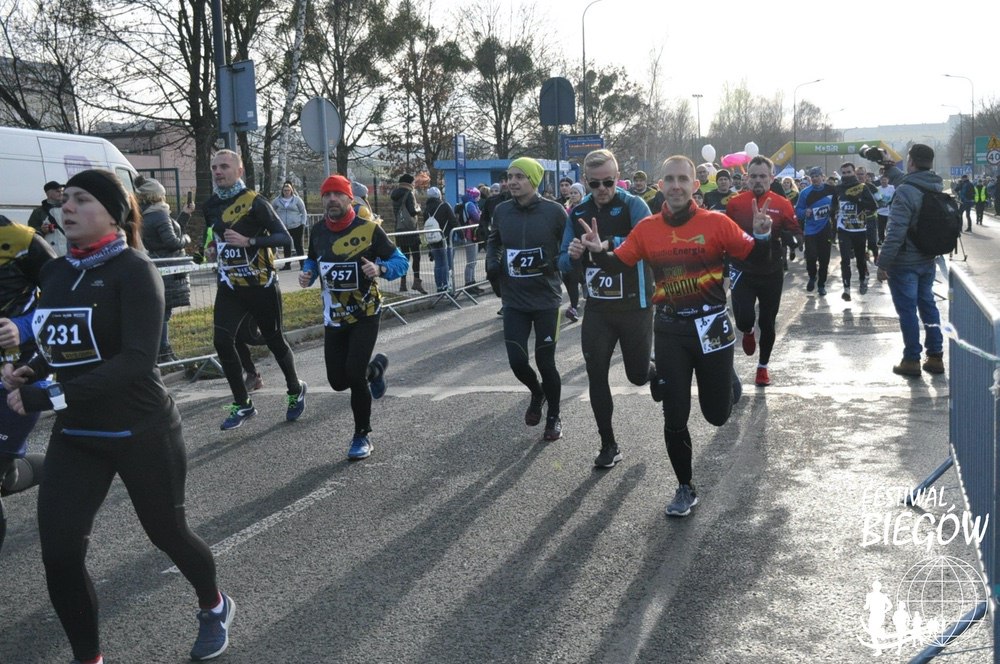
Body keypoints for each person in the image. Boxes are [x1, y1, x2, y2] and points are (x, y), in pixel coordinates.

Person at [3, 169, 233, 663]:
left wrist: (50, 395)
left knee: (168, 534)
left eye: (82, 199)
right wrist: (31, 368)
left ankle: (214, 605)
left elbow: (136, 361)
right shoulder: (56, 274)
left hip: (140, 429)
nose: (67, 207)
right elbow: (54, 339)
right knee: (60, 555)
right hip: (78, 434)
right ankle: (89, 657)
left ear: (115, 213)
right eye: (65, 199)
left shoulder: (135, 270)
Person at [577, 155, 773, 517]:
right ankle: (685, 487)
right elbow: (618, 263)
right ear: (661, 185)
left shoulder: (717, 223)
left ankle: (728, 380)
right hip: (669, 330)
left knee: (717, 416)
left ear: (695, 185)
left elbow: (759, 259)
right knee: (674, 416)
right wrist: (597, 250)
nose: (677, 186)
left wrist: (762, 234)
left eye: (683, 179)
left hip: (711, 328)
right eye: (670, 179)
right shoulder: (647, 229)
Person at [299, 175, 408, 460]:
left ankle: (362, 435)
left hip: (365, 313)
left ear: (349, 198)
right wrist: (307, 273)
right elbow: (312, 259)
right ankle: (375, 371)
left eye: (337, 194)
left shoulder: (369, 230)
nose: (332, 199)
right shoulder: (318, 231)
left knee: (354, 374)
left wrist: (380, 269)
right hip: (334, 317)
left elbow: (401, 262)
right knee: (338, 381)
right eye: (327, 195)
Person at [560, 149, 652, 468]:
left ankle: (653, 370)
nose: (602, 189)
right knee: (596, 373)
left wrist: (607, 244)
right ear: (586, 181)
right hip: (598, 308)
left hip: (634, 305)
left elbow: (647, 242)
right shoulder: (578, 211)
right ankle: (608, 444)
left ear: (618, 178)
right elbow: (562, 260)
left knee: (637, 376)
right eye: (595, 183)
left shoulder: (633, 205)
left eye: (608, 182)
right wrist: (572, 254)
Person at [204, 149, 306, 430]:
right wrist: (212, 248)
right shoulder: (210, 205)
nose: (217, 172)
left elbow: (284, 238)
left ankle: (295, 388)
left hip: (261, 285)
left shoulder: (255, 202)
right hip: (230, 285)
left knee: (274, 341)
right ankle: (243, 404)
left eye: (224, 166)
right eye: (214, 167)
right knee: (222, 341)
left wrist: (249, 242)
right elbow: (215, 237)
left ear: (239, 171)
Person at [486, 157, 568, 442]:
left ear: (533, 180)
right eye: (510, 176)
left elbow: (568, 247)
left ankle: (554, 415)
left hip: (546, 299)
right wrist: (492, 263)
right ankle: (537, 392)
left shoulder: (555, 212)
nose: (512, 182)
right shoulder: (502, 210)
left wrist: (554, 263)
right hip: (515, 300)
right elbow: (494, 240)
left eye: (519, 176)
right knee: (517, 361)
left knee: (546, 363)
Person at [0, 214, 56, 555]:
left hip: (18, 373)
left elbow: (65, 302)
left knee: (2, 475)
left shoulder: (22, 240)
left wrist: (21, 327)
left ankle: (63, 470)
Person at [726, 156, 801, 387]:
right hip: (743, 268)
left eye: (762, 176)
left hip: (771, 270)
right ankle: (747, 330)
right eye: (753, 176)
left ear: (771, 178)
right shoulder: (735, 203)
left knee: (768, 322)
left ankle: (763, 367)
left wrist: (782, 236)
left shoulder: (783, 203)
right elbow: (725, 236)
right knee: (744, 319)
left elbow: (797, 234)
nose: (758, 180)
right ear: (747, 178)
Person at [874, 144, 945, 377]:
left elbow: (895, 232)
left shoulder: (905, 191)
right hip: (927, 258)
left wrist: (883, 263)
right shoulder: (934, 184)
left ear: (911, 162)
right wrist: (888, 166)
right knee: (928, 306)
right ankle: (935, 356)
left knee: (907, 312)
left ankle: (911, 359)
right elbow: (905, 180)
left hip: (904, 262)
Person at [136, 176, 193, 363]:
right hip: (168, 267)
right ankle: (163, 352)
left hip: (159, 263)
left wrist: (184, 215)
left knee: (162, 310)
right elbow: (172, 241)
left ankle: (163, 351)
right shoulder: (160, 214)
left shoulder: (146, 215)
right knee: (164, 312)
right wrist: (187, 239)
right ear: (157, 195)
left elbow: (167, 233)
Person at [835, 162, 878, 301]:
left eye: (849, 172)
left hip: (859, 229)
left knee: (860, 259)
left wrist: (858, 200)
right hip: (843, 229)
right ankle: (846, 289)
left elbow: (873, 206)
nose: (846, 175)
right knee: (845, 260)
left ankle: (862, 279)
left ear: (854, 172)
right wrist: (833, 213)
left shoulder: (862, 187)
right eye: (844, 173)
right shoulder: (838, 188)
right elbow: (833, 206)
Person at [795, 167, 839, 296]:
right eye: (812, 176)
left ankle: (821, 285)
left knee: (824, 259)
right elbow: (798, 211)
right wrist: (805, 212)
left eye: (817, 176)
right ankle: (812, 276)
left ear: (822, 177)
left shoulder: (831, 190)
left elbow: (837, 204)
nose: (814, 178)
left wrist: (834, 210)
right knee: (811, 256)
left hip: (826, 228)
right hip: (811, 230)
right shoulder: (805, 193)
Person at [390, 174, 426, 294]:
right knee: (416, 256)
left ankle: (403, 284)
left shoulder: (395, 194)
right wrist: (418, 209)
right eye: (413, 182)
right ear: (409, 183)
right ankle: (416, 282)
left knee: (405, 256)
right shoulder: (409, 193)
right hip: (410, 229)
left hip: (399, 229)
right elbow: (411, 211)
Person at [423, 187, 457, 292]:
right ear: (439, 196)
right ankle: (446, 285)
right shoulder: (444, 206)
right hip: (445, 238)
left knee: (438, 264)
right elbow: (453, 221)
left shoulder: (426, 209)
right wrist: (461, 235)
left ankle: (439, 286)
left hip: (433, 240)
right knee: (447, 263)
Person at [454, 188, 484, 295]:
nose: (479, 198)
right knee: (471, 261)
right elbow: (477, 218)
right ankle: (469, 284)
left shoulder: (467, 203)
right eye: (478, 195)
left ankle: (472, 282)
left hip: (470, 234)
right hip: (470, 234)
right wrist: (481, 214)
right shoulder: (470, 205)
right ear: (474, 196)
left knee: (473, 261)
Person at [271, 181, 307, 270]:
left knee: (298, 245)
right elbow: (271, 210)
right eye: (285, 190)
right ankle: (287, 265)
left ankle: (303, 265)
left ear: (291, 190)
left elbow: (303, 211)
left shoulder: (297, 200)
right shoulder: (277, 200)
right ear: (282, 191)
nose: (286, 192)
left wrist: (303, 223)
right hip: (283, 226)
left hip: (297, 226)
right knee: (286, 245)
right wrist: (274, 221)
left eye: (288, 190)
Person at [27, 180, 68, 257]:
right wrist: (41, 230)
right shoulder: (39, 212)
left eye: (61, 191)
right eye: (57, 191)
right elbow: (30, 232)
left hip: (69, 252)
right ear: (48, 193)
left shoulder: (69, 209)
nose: (61, 193)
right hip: (50, 254)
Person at [875, 174, 895, 245]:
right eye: (882, 180)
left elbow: (895, 197)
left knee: (889, 227)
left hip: (890, 212)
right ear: (880, 181)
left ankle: (889, 240)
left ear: (888, 180)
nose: (884, 181)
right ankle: (881, 239)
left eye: (885, 180)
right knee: (881, 227)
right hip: (880, 212)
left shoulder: (892, 188)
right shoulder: (877, 189)